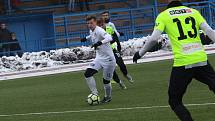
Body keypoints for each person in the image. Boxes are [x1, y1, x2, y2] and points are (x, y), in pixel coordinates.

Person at [133, 0, 215, 121]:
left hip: (183, 62)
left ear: (168, 7)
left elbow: (154, 39)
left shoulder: (164, 15)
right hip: (201, 59)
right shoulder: (193, 12)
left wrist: (140, 53)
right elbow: (209, 32)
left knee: (174, 100)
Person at [80, 16, 116, 103]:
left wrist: (100, 42)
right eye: (88, 23)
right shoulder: (91, 31)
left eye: (91, 23)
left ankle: (108, 97)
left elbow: (110, 37)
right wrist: (85, 38)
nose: (89, 25)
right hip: (99, 58)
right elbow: (91, 35)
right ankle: (95, 94)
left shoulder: (100, 30)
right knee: (87, 74)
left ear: (95, 22)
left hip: (109, 60)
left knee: (106, 81)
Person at [101, 11, 133, 83]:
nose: (105, 17)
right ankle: (114, 79)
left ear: (109, 16)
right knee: (110, 66)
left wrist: (118, 40)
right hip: (105, 51)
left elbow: (115, 33)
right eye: (104, 16)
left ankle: (125, 74)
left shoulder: (111, 25)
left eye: (106, 15)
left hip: (113, 48)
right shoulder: (99, 28)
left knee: (121, 63)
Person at [97, 18, 127, 89]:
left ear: (104, 23)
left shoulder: (109, 29)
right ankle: (119, 82)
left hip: (113, 50)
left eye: (102, 24)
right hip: (104, 53)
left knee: (121, 64)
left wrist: (118, 45)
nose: (102, 26)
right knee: (111, 70)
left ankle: (126, 74)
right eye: (100, 25)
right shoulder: (97, 33)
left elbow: (114, 38)